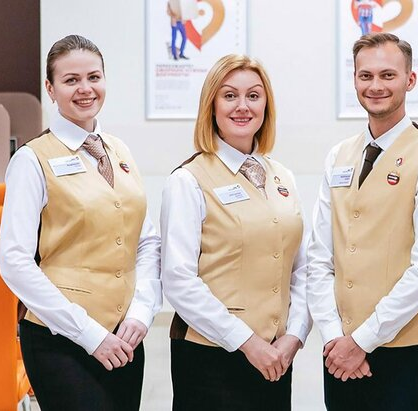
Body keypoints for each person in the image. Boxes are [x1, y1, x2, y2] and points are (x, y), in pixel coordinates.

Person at [0, 35, 162, 411]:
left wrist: (142, 311)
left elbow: (146, 240)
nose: (85, 89)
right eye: (71, 80)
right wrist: (90, 334)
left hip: (125, 339)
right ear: (50, 88)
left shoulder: (119, 151)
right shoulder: (31, 160)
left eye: (93, 77)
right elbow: (14, 261)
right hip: (61, 341)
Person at [306, 32, 418, 410]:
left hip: (406, 354)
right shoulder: (338, 156)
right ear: (355, 80)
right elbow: (319, 257)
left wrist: (362, 341)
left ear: (410, 80)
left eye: (388, 75)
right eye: (366, 76)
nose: (375, 86)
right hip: (339, 353)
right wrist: (334, 337)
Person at [161, 54, 311, 411]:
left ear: (266, 106)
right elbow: (179, 279)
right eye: (230, 96)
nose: (243, 106)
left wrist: (295, 335)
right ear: (211, 106)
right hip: (210, 358)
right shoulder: (187, 180)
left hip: (276, 357)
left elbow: (302, 268)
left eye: (253, 96)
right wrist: (247, 342)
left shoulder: (282, 177)